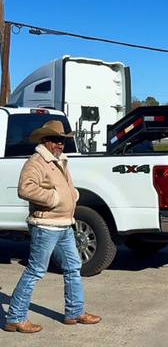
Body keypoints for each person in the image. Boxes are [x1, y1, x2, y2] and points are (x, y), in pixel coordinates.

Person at [4, 120, 101, 333]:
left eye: (63, 140)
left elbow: (67, 185)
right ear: (45, 140)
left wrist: (72, 195)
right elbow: (25, 189)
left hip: (64, 224)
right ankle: (15, 317)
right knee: (36, 270)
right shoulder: (36, 162)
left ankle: (75, 312)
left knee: (73, 267)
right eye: (56, 140)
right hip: (46, 225)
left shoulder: (59, 160)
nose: (60, 144)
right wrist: (54, 198)